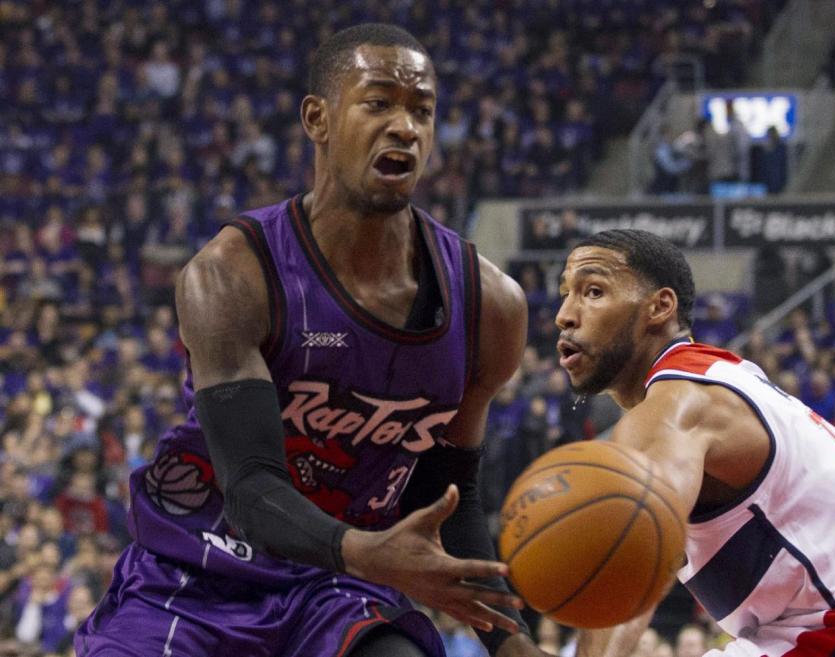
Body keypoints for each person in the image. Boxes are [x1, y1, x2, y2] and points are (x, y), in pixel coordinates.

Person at [76, 24, 548, 657]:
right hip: (199, 571)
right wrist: (371, 555)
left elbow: (449, 496)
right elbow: (249, 489)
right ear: (317, 119)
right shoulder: (233, 273)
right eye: (379, 102)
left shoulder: (491, 306)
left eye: (422, 110)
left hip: (342, 587)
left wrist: (511, 643)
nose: (405, 127)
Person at [554, 229, 835, 657]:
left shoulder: (678, 402)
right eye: (566, 294)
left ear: (660, 307)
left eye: (593, 291)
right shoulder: (718, 384)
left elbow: (634, 562)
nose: (565, 314)